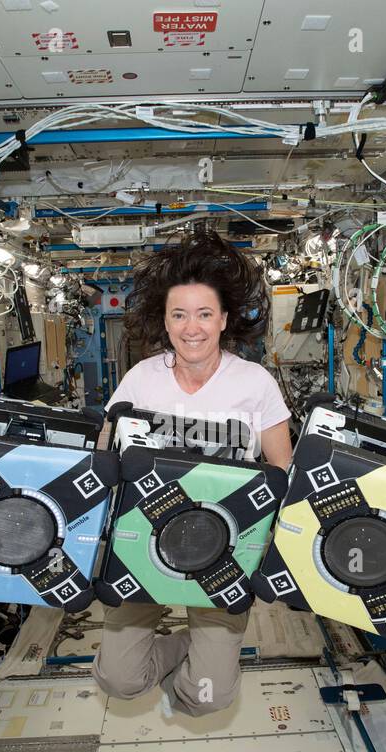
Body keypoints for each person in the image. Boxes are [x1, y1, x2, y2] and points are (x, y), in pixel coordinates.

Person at [93, 232, 292, 718]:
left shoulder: (255, 383)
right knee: (119, 680)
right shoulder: (141, 378)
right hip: (144, 546)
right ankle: (177, 644)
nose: (192, 328)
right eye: (179, 315)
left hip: (222, 552)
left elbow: (281, 471)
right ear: (165, 321)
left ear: (224, 320)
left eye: (204, 314)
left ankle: (194, 651)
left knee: (208, 698)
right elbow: (102, 458)